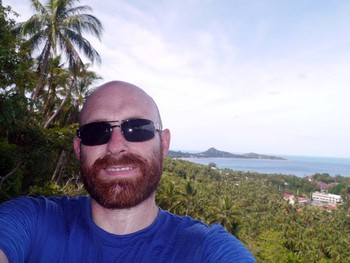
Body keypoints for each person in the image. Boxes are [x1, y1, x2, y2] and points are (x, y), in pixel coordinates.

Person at [0, 81, 256, 263]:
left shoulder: (206, 249)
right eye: (96, 132)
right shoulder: (31, 221)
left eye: (138, 128)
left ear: (163, 143)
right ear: (79, 148)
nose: (115, 146)